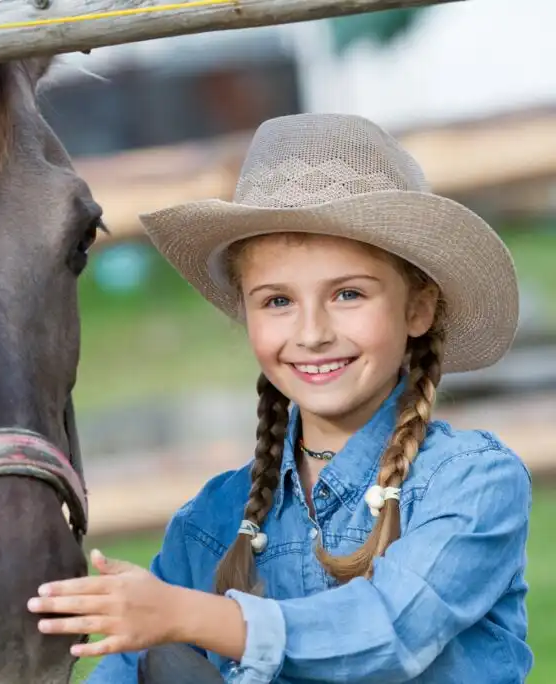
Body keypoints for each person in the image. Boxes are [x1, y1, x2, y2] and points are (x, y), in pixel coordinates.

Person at [26, 112, 534, 683]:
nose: (312, 332)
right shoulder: (210, 523)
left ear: (418, 308)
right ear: (246, 312)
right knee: (161, 666)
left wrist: (187, 615)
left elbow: (389, 631)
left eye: (348, 293)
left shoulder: (470, 482)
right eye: (277, 301)